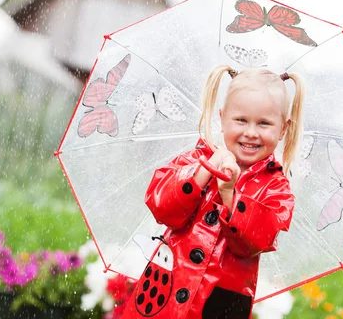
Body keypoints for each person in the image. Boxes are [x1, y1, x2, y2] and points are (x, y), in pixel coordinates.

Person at [121, 65, 305, 319]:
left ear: (283, 129)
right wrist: (202, 172)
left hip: (217, 305)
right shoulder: (198, 159)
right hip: (165, 294)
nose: (251, 132)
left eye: (264, 123)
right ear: (222, 117)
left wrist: (230, 195)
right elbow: (161, 205)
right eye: (240, 120)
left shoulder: (275, 187)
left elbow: (254, 241)